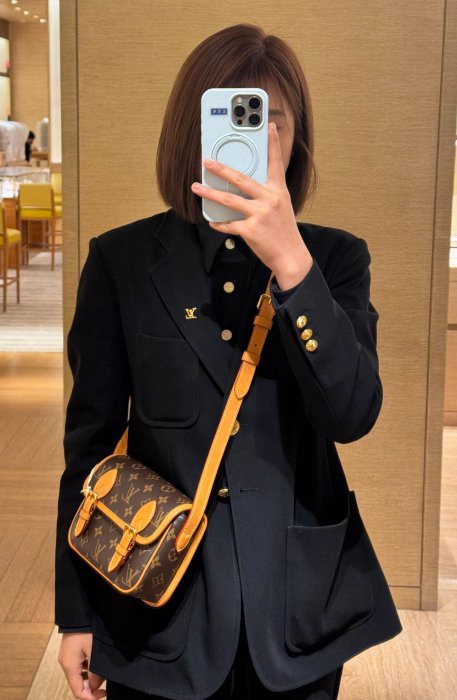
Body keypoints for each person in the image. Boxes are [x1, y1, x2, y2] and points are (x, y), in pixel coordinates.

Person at [55, 22, 402, 700]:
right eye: (232, 116)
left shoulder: (333, 259)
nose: (254, 138)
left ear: (296, 138)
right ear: (192, 132)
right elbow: (90, 443)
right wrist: (77, 612)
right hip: (157, 604)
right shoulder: (123, 261)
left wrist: (293, 266)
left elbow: (352, 415)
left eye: (273, 120)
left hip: (298, 604)